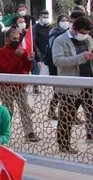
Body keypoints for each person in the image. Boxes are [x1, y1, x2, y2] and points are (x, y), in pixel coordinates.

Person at [51, 17, 93, 154]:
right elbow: (58, 61)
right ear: (74, 29)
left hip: (88, 84)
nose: (84, 34)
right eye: (82, 32)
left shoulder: (88, 39)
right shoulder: (60, 40)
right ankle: (64, 145)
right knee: (67, 117)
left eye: (87, 32)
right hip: (71, 85)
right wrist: (81, 58)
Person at [0, 28, 39, 142]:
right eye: (13, 39)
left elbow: (27, 68)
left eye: (17, 39)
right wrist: (16, 56)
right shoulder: (1, 52)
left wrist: (29, 59)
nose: (16, 41)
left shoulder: (22, 50)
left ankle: (29, 132)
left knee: (25, 109)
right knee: (8, 111)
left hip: (20, 86)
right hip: (6, 86)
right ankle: (4, 132)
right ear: (7, 39)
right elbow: (6, 68)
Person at [34, 10, 53, 76]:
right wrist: (38, 57)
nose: (46, 19)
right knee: (37, 75)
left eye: (47, 17)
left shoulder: (50, 27)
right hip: (38, 56)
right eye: (44, 17)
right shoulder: (35, 27)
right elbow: (34, 43)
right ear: (40, 17)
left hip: (48, 55)